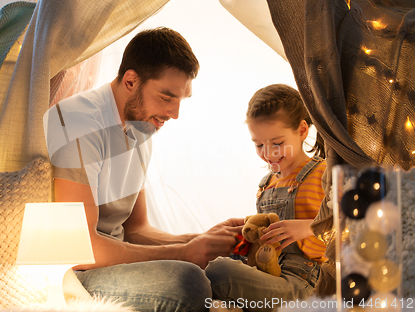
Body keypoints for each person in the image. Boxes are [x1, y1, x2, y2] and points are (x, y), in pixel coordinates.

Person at [43, 27, 244, 312]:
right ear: (130, 81)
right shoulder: (80, 122)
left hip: (115, 260)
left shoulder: (141, 126)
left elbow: (136, 229)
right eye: (166, 97)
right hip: (79, 271)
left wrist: (203, 241)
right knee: (189, 282)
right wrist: (185, 253)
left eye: (181, 100)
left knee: (229, 264)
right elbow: (79, 248)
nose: (175, 114)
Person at [205, 84, 327, 312]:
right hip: (266, 270)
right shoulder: (266, 185)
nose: (268, 153)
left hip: (304, 281)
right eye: (259, 145)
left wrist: (307, 228)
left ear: (302, 131)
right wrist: (245, 238)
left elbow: (353, 224)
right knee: (203, 268)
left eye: (277, 143)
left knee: (218, 273)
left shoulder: (323, 173)